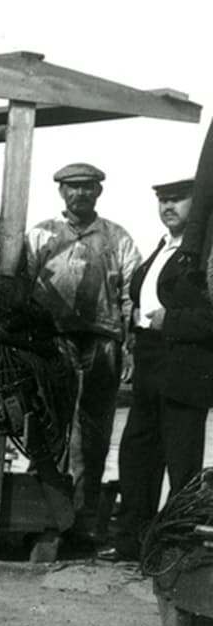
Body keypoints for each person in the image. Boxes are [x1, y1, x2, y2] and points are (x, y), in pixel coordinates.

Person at [25, 162, 141, 549]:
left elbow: (131, 293)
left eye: (88, 188)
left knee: (93, 431)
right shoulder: (42, 234)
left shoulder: (116, 237)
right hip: (52, 341)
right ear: (61, 192)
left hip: (101, 342)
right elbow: (22, 285)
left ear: (98, 192)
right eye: (72, 188)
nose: (80, 195)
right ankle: (41, 509)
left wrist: (129, 345)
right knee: (47, 422)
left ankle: (85, 517)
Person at [99, 179, 213, 561]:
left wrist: (172, 321)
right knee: (137, 455)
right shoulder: (163, 247)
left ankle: (175, 548)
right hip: (150, 364)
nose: (168, 206)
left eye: (178, 199)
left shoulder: (205, 254)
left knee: (182, 463)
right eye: (163, 200)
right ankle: (133, 541)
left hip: (184, 368)